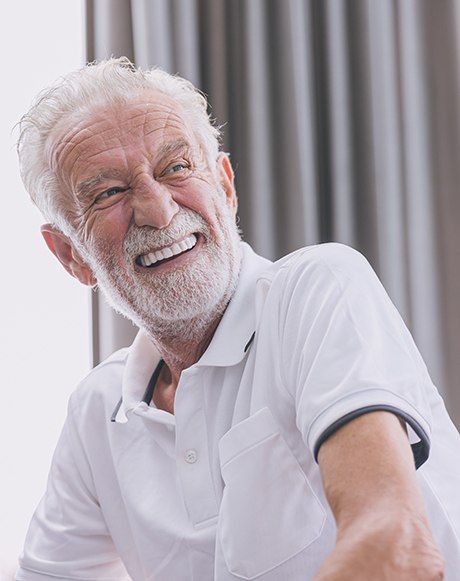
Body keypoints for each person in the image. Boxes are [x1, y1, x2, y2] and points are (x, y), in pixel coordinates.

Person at [14, 56, 459, 581]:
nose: (158, 210)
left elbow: (395, 549)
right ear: (71, 255)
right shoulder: (97, 413)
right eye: (109, 193)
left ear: (225, 186)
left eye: (176, 168)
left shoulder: (317, 289)